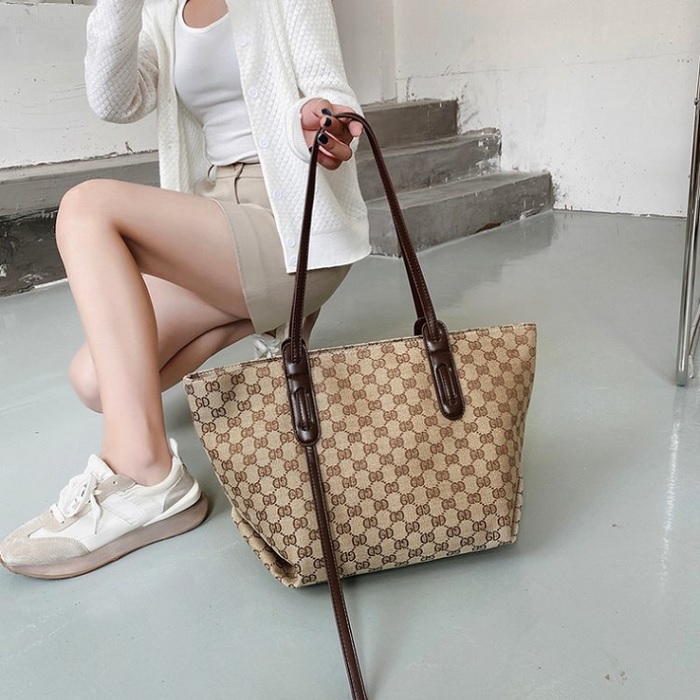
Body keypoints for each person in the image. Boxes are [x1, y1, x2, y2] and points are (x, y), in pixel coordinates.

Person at [0, 0, 369, 579]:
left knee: (86, 208)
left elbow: (332, 91)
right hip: (217, 214)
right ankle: (270, 314)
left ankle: (147, 473)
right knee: (94, 382)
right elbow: (113, 100)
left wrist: (319, 121)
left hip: (291, 218)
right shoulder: (163, 8)